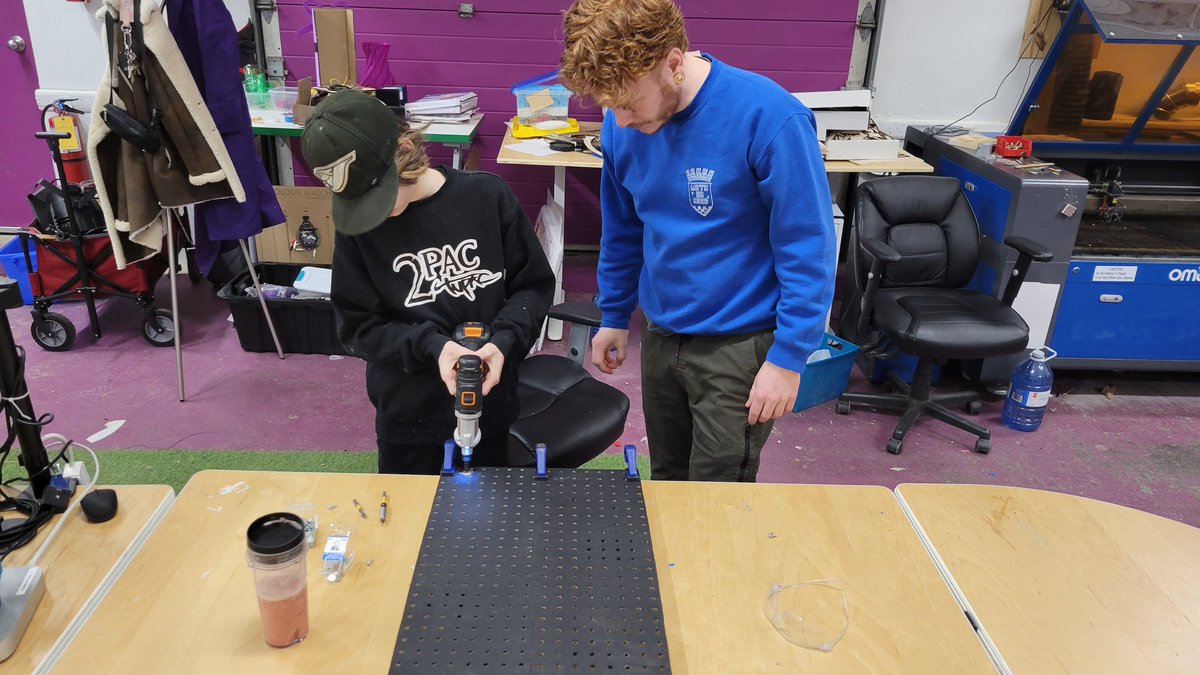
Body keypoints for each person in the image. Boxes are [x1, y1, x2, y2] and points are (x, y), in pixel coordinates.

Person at [559, 0, 836, 482]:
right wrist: (615, 315)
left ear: (672, 62)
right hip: (663, 333)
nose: (619, 121)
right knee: (668, 476)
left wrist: (789, 358)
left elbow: (807, 246)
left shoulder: (769, 117)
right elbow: (623, 227)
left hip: (739, 342)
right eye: (608, 105)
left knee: (718, 491)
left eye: (627, 102)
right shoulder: (621, 123)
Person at [300, 90, 554, 474]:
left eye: (377, 197)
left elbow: (532, 287)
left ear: (405, 149)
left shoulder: (486, 197)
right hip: (407, 417)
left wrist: (503, 343)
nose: (373, 216)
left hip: (491, 402)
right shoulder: (358, 230)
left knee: (487, 522)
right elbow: (359, 328)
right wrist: (432, 347)